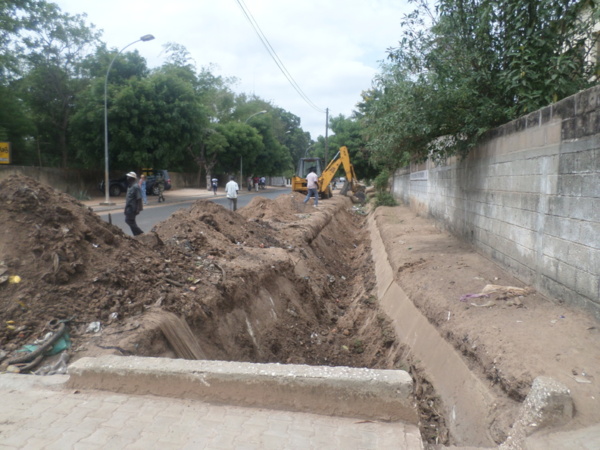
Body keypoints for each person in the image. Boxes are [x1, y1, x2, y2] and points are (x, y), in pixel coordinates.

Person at [124, 172, 144, 236]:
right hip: (128, 207)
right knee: (132, 222)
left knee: (128, 221)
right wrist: (125, 209)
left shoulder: (136, 187)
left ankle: (141, 233)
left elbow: (139, 198)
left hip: (132, 208)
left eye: (129, 177)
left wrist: (138, 209)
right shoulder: (129, 187)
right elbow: (128, 199)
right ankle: (137, 235)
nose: (127, 178)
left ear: (132, 178)